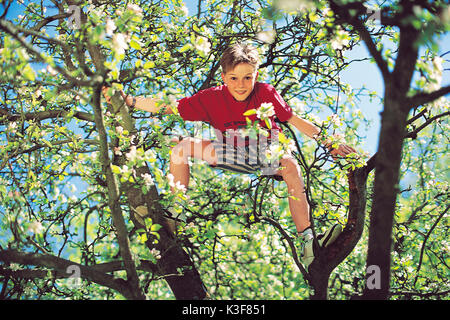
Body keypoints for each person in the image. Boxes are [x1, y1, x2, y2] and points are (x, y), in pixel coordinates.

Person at [103, 42, 356, 269]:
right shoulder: (211, 98)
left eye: (248, 78)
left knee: (290, 164)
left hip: (265, 152)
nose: (241, 85)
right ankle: (175, 214)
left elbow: (294, 120)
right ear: (224, 77)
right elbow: (169, 107)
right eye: (234, 78)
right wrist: (130, 101)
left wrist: (331, 144)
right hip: (231, 151)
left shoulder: (265, 93)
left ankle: (308, 242)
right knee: (180, 146)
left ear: (256, 75)